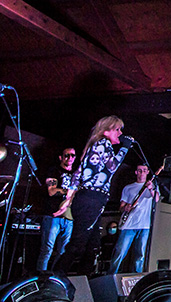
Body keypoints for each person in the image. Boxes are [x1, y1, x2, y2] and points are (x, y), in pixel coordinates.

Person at [52, 116, 132, 274]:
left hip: (91, 199)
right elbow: (112, 167)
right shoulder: (103, 143)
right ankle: (54, 278)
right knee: (77, 244)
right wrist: (125, 148)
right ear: (107, 131)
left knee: (93, 246)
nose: (120, 133)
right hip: (91, 198)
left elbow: (77, 174)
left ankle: (83, 282)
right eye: (117, 129)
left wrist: (68, 200)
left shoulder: (94, 146)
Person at [108, 164, 159, 274]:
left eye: (144, 170)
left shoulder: (152, 187)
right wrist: (125, 208)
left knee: (140, 255)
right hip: (128, 225)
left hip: (144, 225)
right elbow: (121, 206)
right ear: (136, 172)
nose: (142, 173)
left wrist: (151, 189)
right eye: (140, 170)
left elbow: (156, 199)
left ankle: (137, 277)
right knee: (120, 252)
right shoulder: (128, 188)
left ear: (147, 172)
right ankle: (111, 275)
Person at [36, 147, 76, 271]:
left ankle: (55, 277)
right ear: (61, 157)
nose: (70, 158)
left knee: (63, 252)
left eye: (72, 155)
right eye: (67, 155)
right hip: (53, 215)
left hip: (69, 217)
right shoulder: (54, 171)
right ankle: (41, 278)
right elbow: (51, 191)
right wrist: (68, 191)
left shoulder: (76, 173)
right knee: (47, 249)